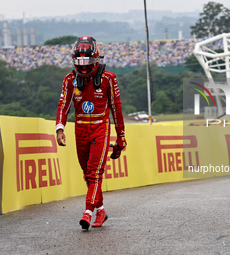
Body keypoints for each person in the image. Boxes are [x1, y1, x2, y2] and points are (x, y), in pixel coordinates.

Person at [56, 36, 127, 230]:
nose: (84, 65)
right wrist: (60, 128)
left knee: (95, 171)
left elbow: (116, 109)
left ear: (96, 59)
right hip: (79, 128)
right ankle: (101, 210)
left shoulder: (108, 78)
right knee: (87, 173)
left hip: (100, 127)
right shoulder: (69, 79)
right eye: (79, 61)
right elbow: (63, 105)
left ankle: (87, 212)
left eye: (87, 61)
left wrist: (121, 137)